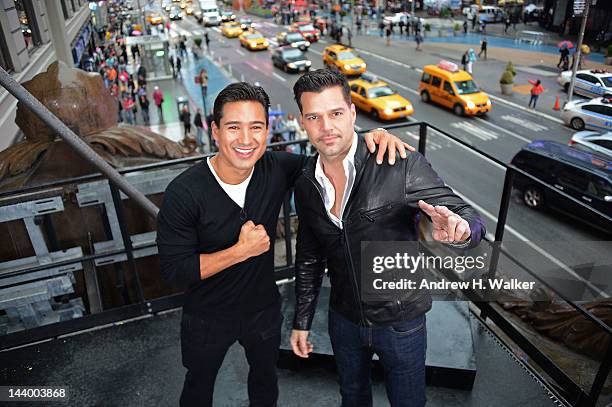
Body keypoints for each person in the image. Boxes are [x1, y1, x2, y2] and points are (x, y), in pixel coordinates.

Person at [157, 81, 413, 407]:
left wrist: (372, 139)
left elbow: (331, 156)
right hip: (207, 315)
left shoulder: (278, 167)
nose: (246, 139)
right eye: (234, 127)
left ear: (267, 131)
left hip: (263, 310)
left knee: (265, 384)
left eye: (256, 127)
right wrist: (240, 251)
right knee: (197, 388)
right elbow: (176, 271)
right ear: (215, 131)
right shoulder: (184, 192)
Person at [289, 69, 486, 407]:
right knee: (352, 396)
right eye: (314, 117)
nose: (327, 127)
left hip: (400, 321)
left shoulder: (399, 163)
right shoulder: (306, 182)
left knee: (408, 402)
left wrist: (461, 229)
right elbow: (309, 256)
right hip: (343, 317)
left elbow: (467, 216)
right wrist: (302, 322)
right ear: (302, 122)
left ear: (352, 113)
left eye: (336, 113)